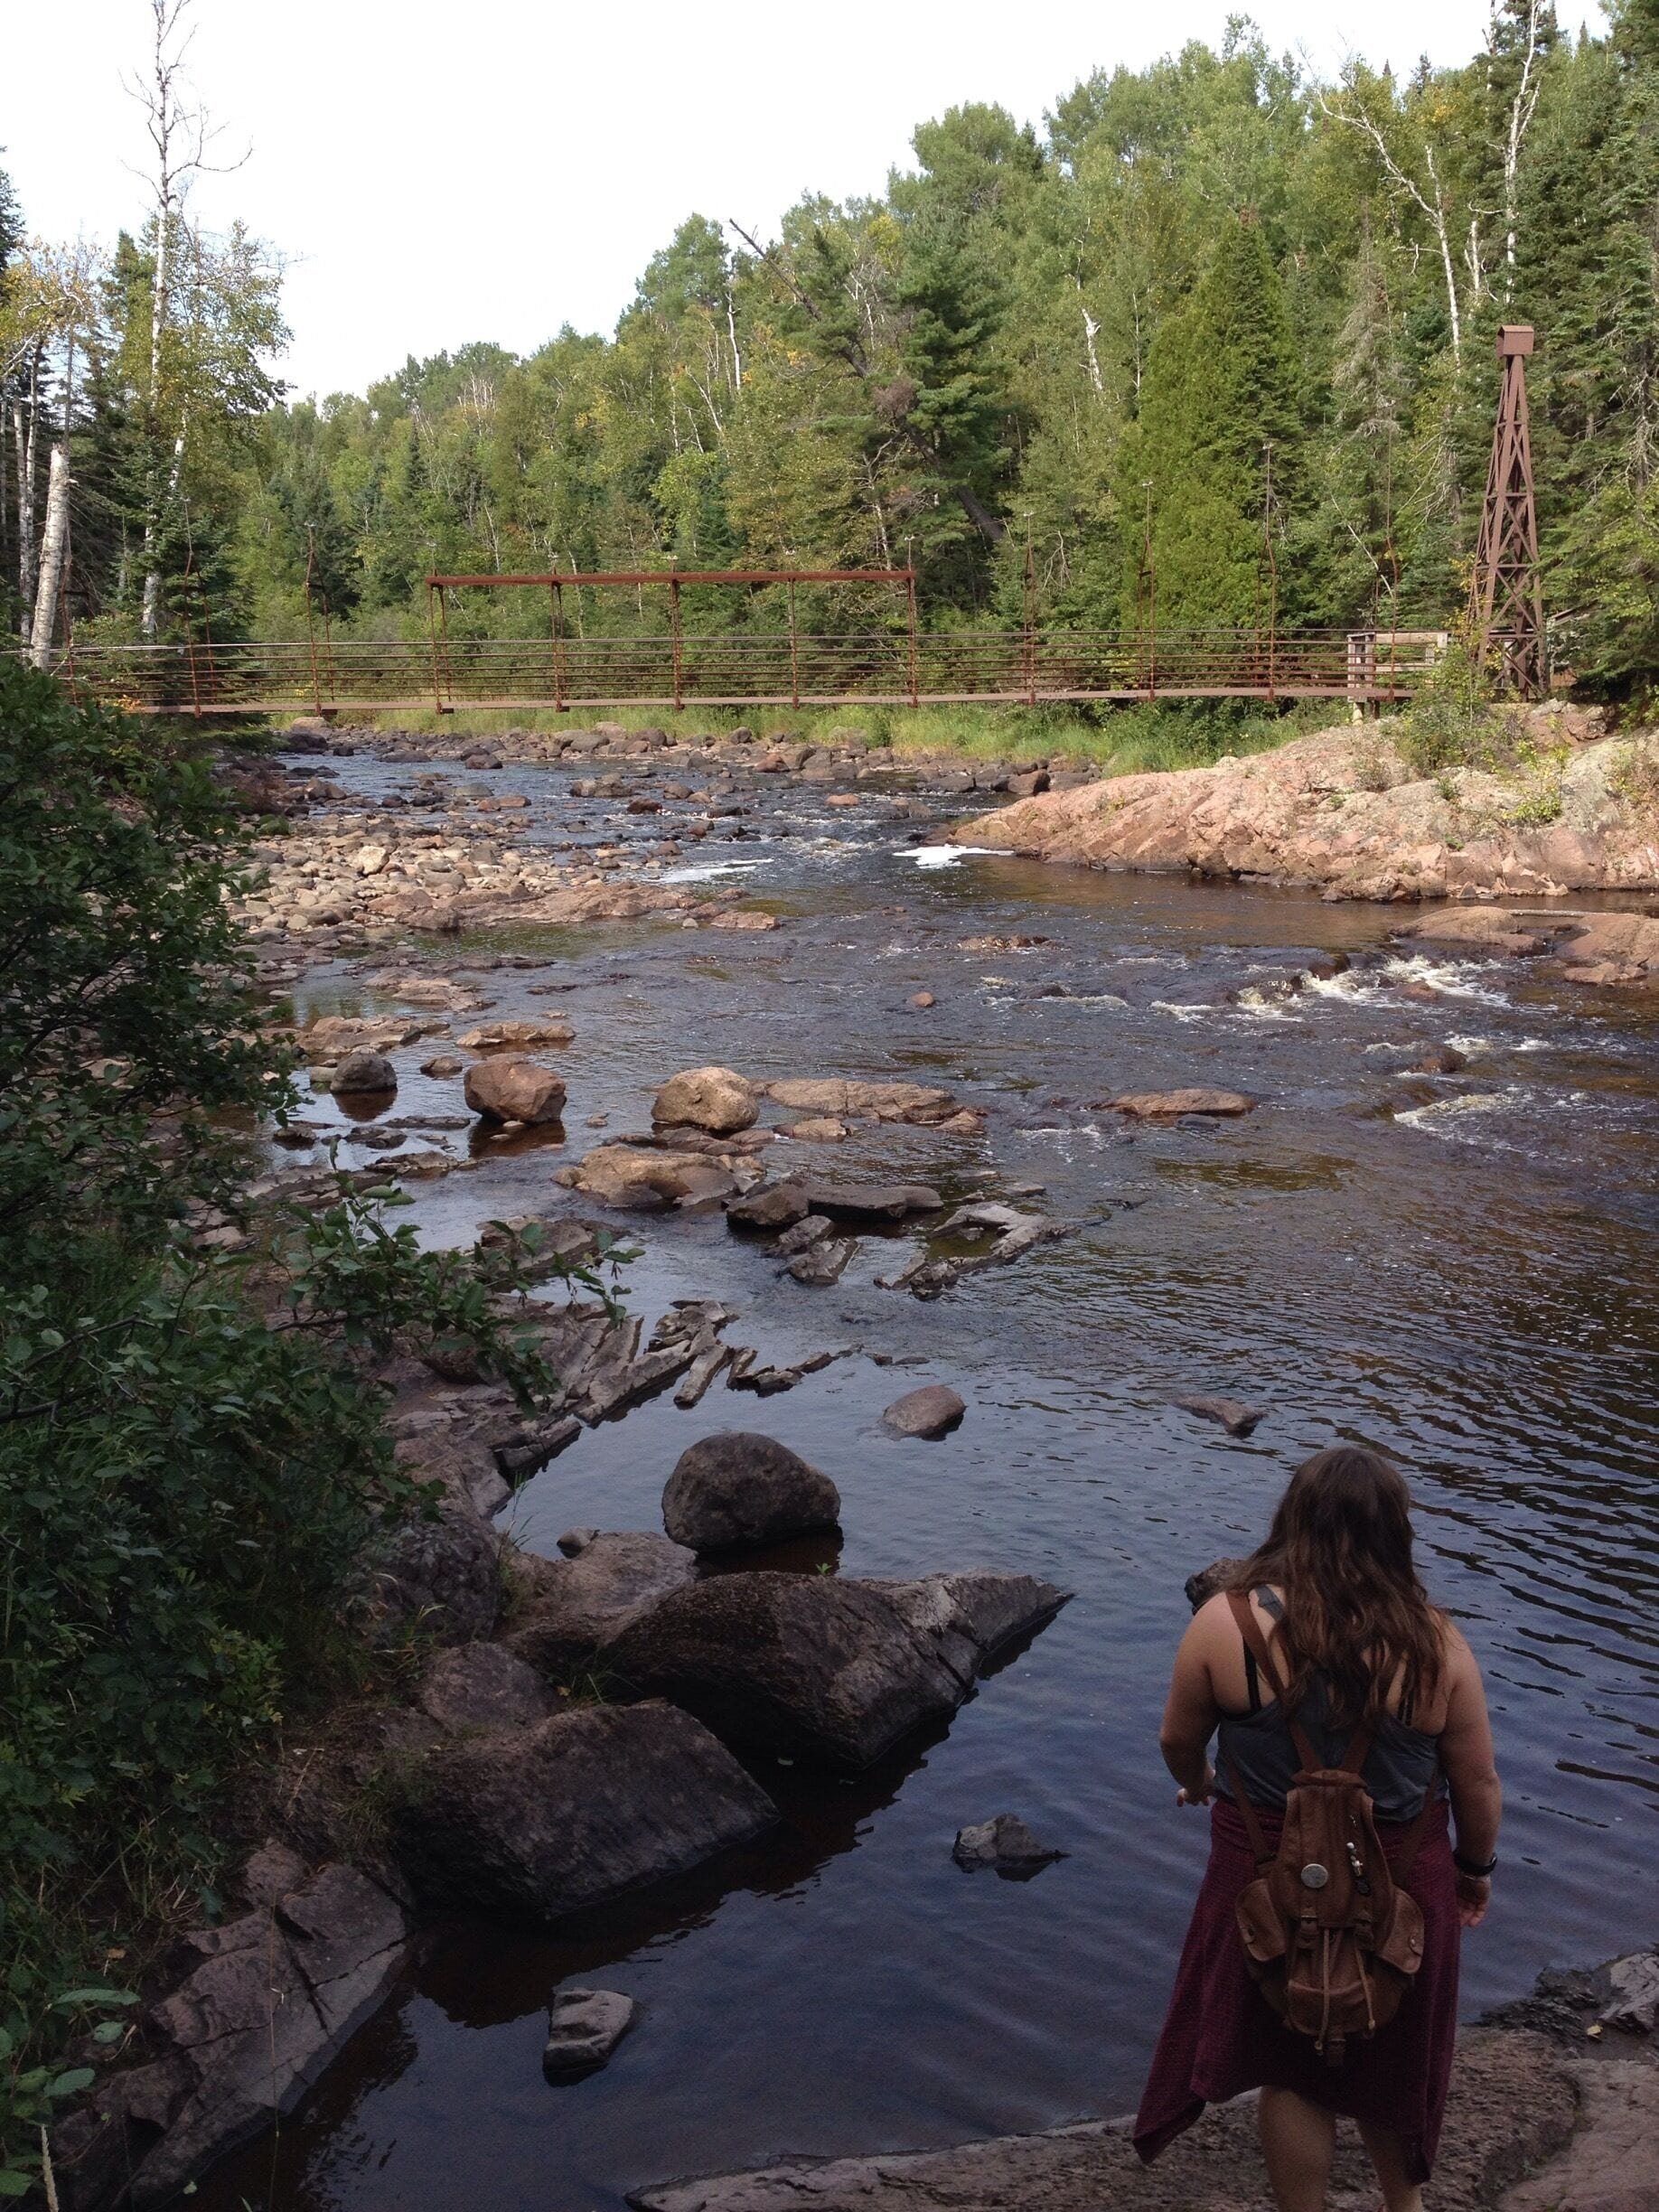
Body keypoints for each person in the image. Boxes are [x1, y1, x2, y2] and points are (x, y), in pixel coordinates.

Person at [1134, 1446, 1502, 2212]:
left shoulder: (1223, 1624)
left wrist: (1198, 1783)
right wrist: (1476, 1870)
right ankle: (1407, 2210)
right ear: (1395, 1532)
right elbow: (1477, 1783)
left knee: (1292, 2067)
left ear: (1291, 1520)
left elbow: (1177, 1738)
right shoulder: (1439, 1646)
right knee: (1392, 2056)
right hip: (1402, 1877)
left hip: (1263, 1877)